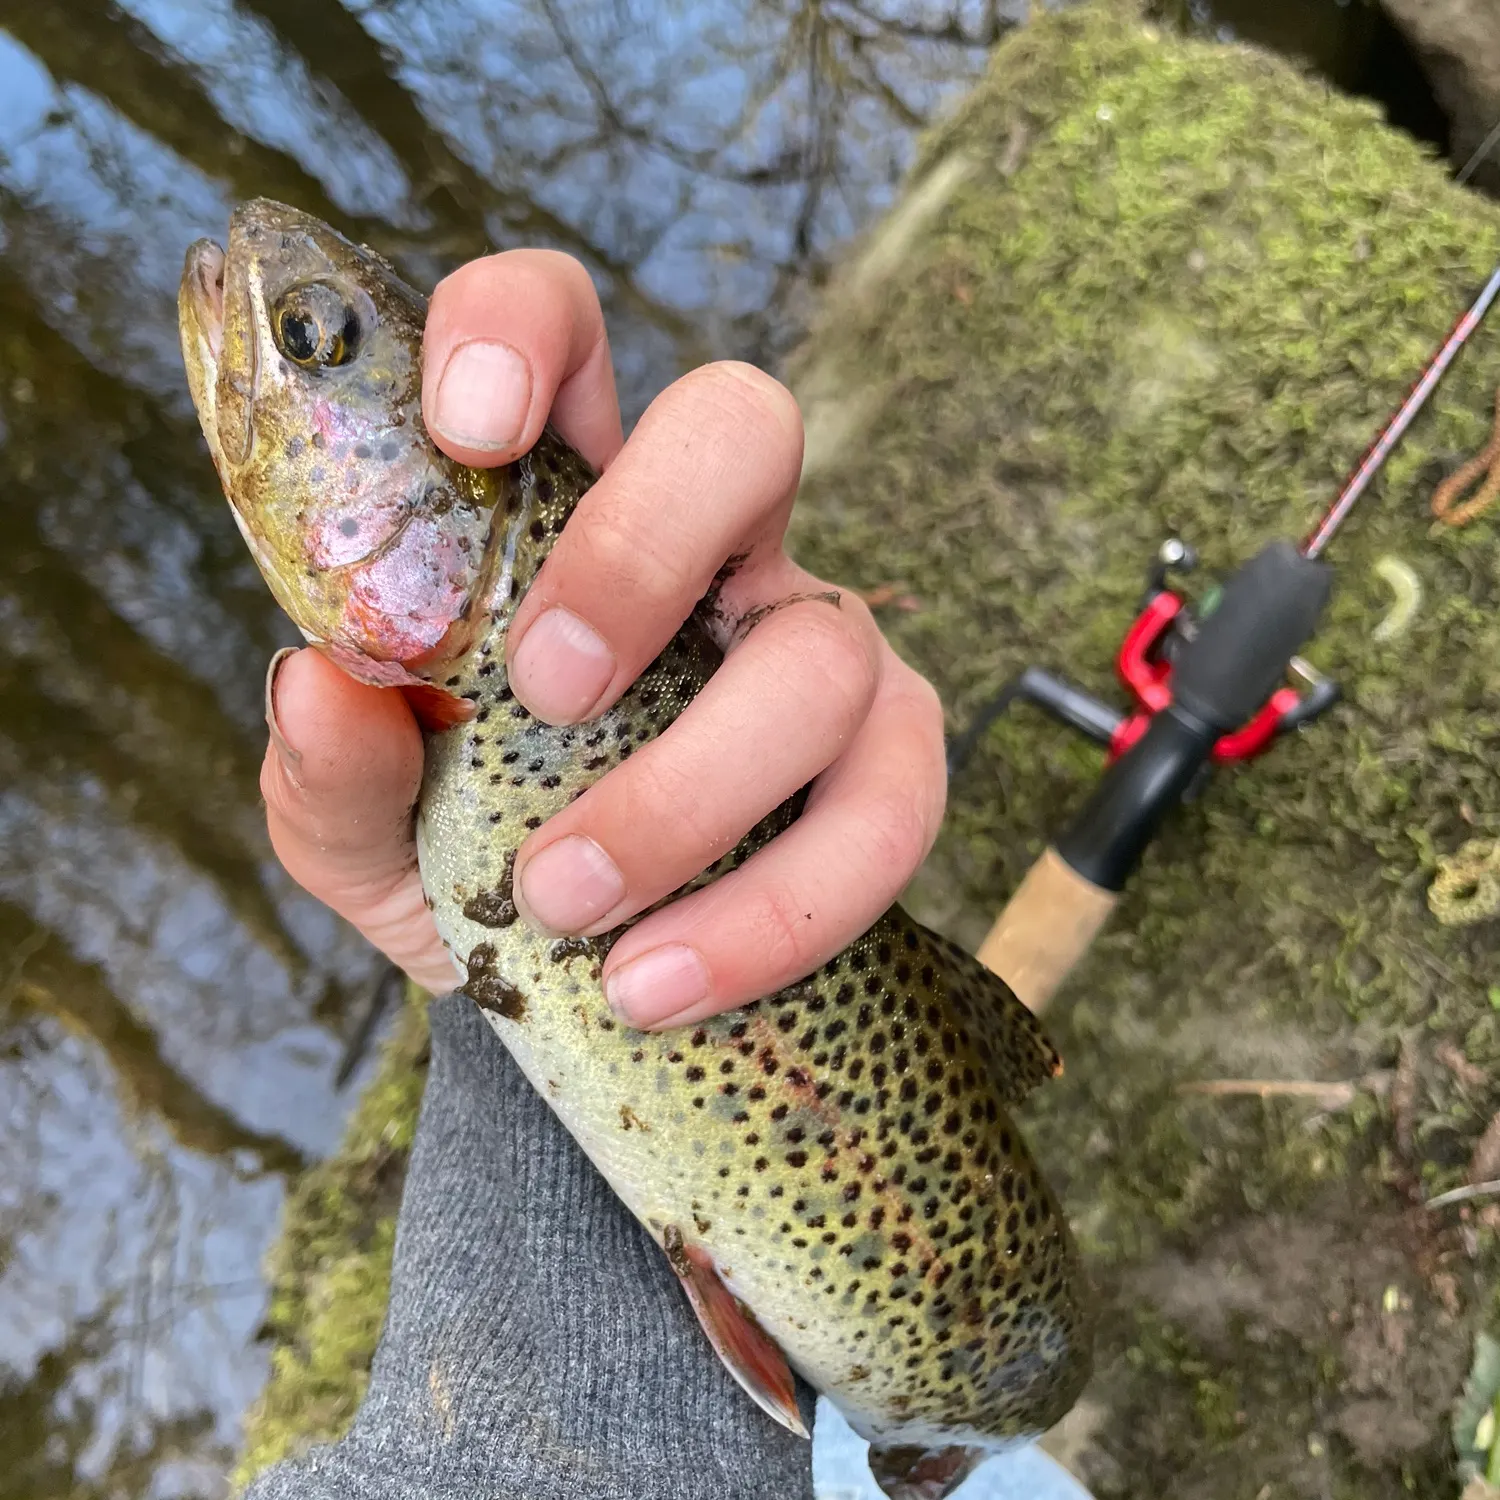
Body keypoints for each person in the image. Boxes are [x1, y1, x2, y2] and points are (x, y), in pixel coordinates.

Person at [245, 251, 1084, 1500]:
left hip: (972, 1374)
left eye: (308, 336)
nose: (273, 324)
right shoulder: (438, 709)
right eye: (321, 337)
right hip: (943, 1378)